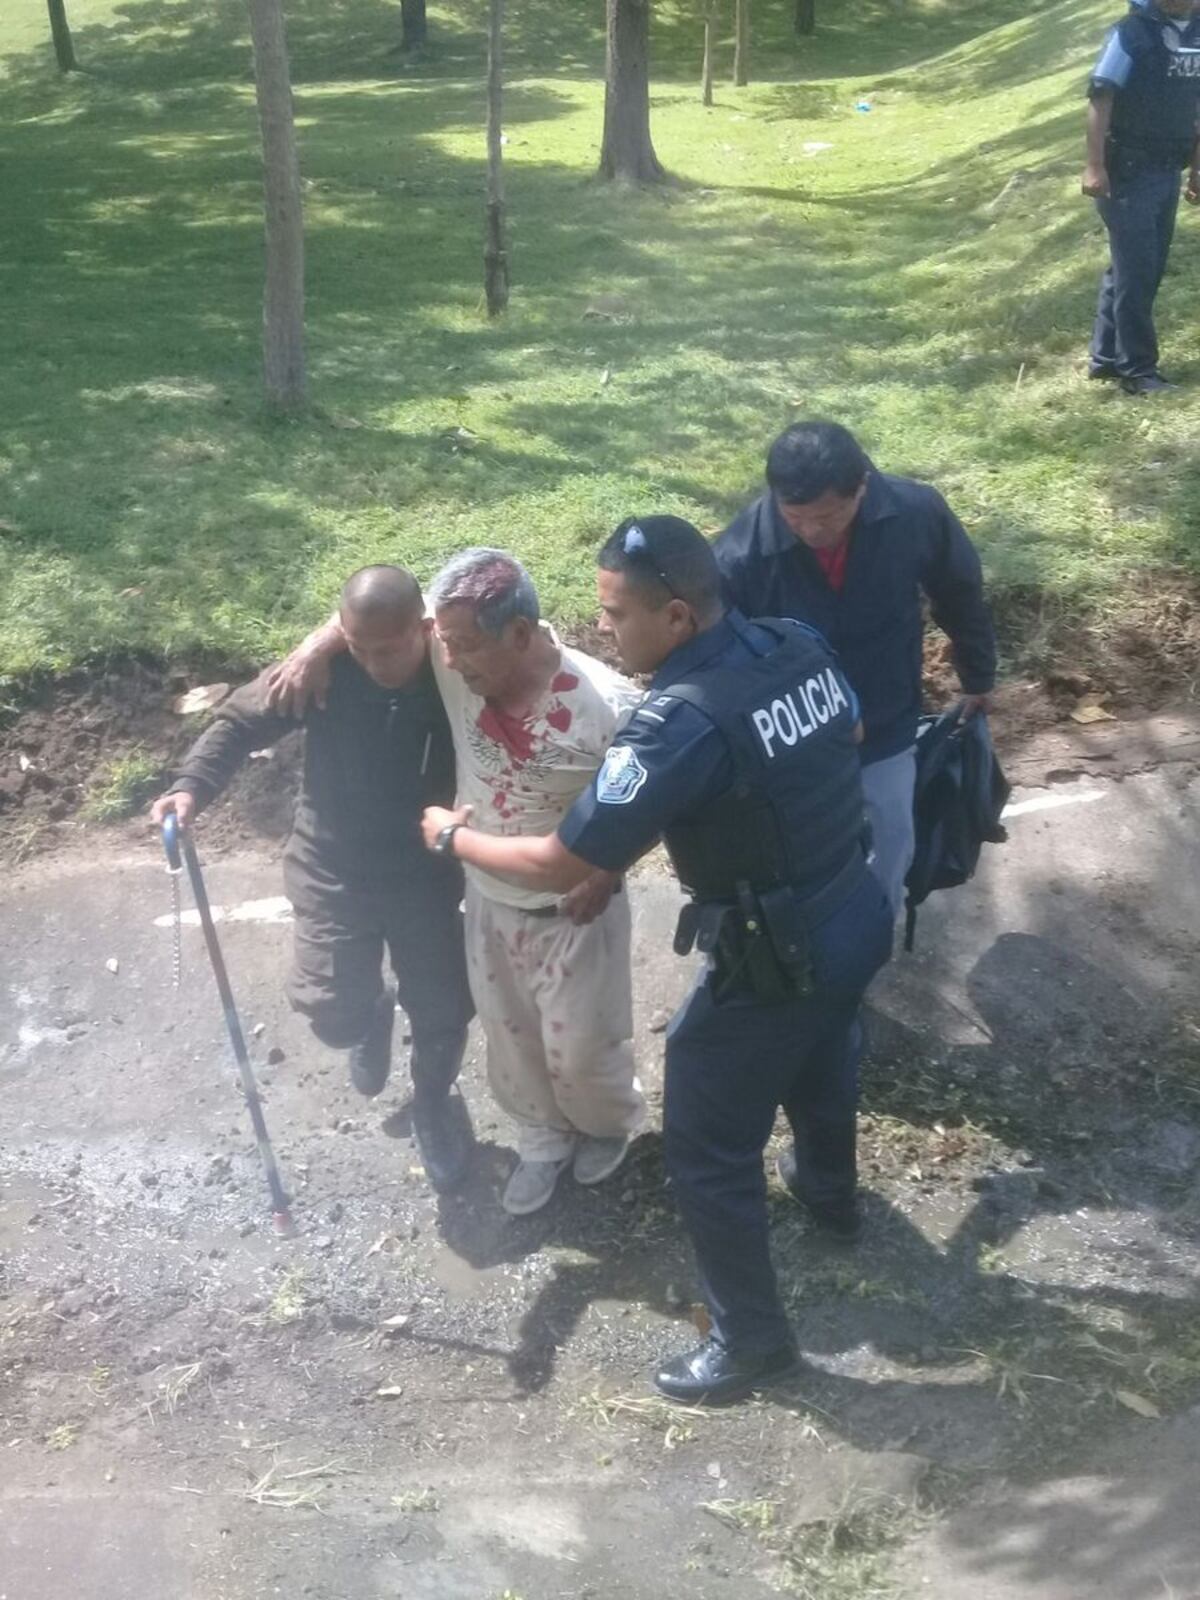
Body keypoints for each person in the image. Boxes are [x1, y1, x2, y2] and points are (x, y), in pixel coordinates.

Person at [420, 517, 894, 1405]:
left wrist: (456, 840)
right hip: (855, 909)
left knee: (708, 1147)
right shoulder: (794, 642)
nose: (602, 630)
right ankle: (830, 1194)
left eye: (616, 613)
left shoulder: (675, 723)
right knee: (825, 1050)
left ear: (676, 617)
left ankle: (750, 1342)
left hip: (774, 950)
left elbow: (562, 861)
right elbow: (856, 727)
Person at [268, 550, 647, 1218]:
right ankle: (540, 1141)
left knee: (582, 1051)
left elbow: (659, 802)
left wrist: (610, 865)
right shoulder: (453, 659)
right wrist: (321, 641)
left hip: (575, 911)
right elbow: (383, 614)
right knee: (513, 1043)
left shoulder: (609, 710)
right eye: (447, 643)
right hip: (490, 904)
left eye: (468, 647)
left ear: (521, 636)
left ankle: (604, 1126)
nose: (455, 661)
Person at [149, 565, 476, 1194]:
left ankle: (434, 1103)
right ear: (341, 636)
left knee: (443, 1011)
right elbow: (240, 722)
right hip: (334, 865)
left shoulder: (458, 672)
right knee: (332, 1014)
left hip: (429, 874)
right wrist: (190, 790)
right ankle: (371, 1012)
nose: (376, 663)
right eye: (360, 647)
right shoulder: (322, 671)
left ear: (426, 629)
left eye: (391, 647)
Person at [713, 421, 997, 917]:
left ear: (862, 485)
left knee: (889, 850)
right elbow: (723, 662)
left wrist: (978, 676)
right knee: (802, 861)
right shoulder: (738, 556)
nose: (813, 532)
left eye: (829, 516)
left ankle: (869, 953)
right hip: (792, 740)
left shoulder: (915, 514)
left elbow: (959, 590)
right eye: (795, 517)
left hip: (887, 719)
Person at [1083, 0, 1200, 395]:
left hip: (1167, 168)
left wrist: (1196, 170)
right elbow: (1101, 97)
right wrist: (1094, 167)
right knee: (1139, 271)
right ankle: (1138, 371)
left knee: (1131, 267)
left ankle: (1106, 358)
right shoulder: (1130, 33)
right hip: (1127, 172)